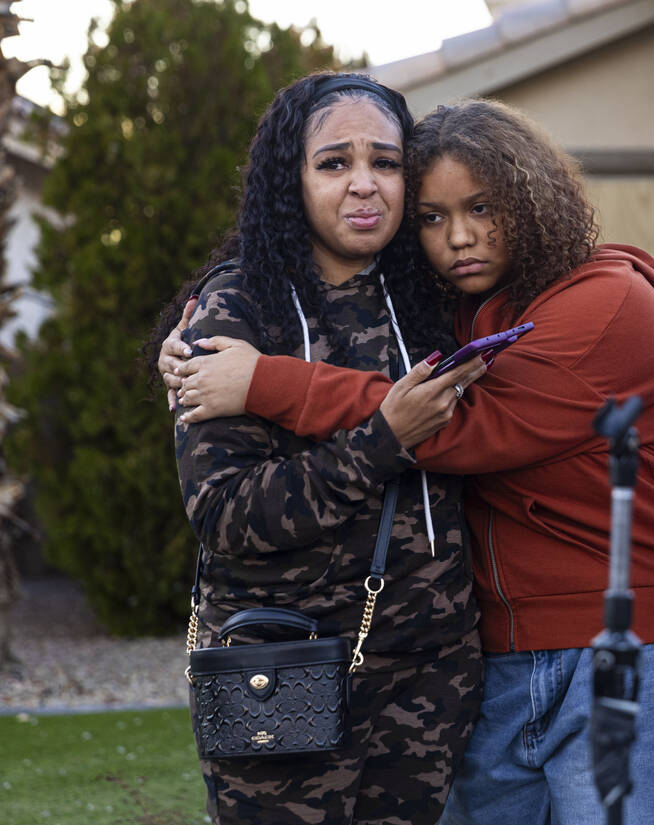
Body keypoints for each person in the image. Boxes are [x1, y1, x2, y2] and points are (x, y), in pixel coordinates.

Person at [161, 99, 654, 824]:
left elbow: (470, 423)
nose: (459, 236)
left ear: (529, 195)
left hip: (512, 658)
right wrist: (186, 338)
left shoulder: (546, 301)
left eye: (383, 163)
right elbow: (225, 509)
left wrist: (272, 382)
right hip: (298, 658)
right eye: (434, 217)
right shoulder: (400, 300)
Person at [165, 72, 489, 825]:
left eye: (385, 162)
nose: (364, 185)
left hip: (429, 671)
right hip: (281, 664)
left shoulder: (434, 297)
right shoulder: (240, 307)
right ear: (294, 177)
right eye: (334, 163)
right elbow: (225, 512)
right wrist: (382, 442)